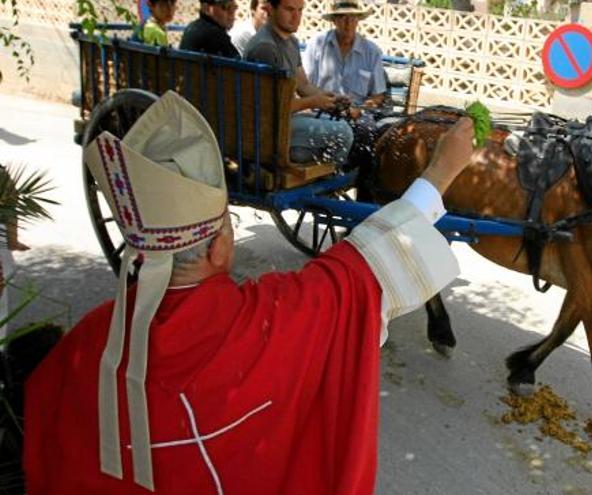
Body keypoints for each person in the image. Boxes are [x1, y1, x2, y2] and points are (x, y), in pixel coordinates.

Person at [24, 91, 475, 494]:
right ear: (221, 246)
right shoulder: (269, 322)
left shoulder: (87, 343)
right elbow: (363, 269)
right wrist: (440, 170)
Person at [244, 0, 354, 166]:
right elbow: (273, 109)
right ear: (270, 9)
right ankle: (324, 182)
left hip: (286, 122)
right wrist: (314, 102)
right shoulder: (265, 47)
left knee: (344, 123)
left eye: (300, 10)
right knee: (343, 133)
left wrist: (330, 97)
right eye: (289, 9)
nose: (296, 17)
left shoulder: (291, 42)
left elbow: (303, 86)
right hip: (268, 132)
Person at [302, 0, 387, 174]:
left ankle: (348, 177)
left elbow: (378, 96)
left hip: (355, 115)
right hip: (321, 110)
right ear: (334, 20)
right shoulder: (317, 45)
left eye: (352, 18)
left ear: (358, 20)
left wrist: (359, 109)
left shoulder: (372, 52)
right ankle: (321, 174)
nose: (347, 23)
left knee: (367, 131)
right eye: (342, 17)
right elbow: (304, 85)